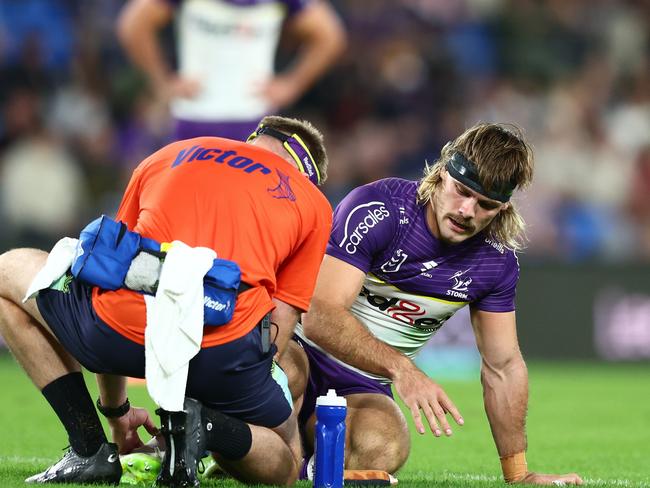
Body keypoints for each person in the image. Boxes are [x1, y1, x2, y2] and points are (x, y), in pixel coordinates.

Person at [0, 115, 332, 486]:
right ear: (306, 173)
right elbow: (280, 324)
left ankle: (89, 447)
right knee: (287, 461)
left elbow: (110, 272)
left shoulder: (169, 154)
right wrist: (229, 392)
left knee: (7, 272)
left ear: (256, 138)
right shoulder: (314, 203)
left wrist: (117, 412)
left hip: (119, 330)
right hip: (224, 348)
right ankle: (205, 425)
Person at [283, 122, 584, 485]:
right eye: (461, 191)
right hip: (297, 347)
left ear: (503, 208)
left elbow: (502, 366)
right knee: (287, 374)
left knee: (385, 446)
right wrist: (404, 371)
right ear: (442, 174)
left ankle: (290, 464)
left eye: (486, 204)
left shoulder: (496, 264)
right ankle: (252, 445)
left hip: (361, 385)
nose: (467, 211)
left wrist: (519, 475)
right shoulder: (380, 209)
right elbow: (319, 314)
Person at [116, 0, 347, 141]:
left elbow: (329, 36)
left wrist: (292, 85)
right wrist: (162, 83)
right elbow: (134, 25)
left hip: (254, 121)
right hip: (194, 118)